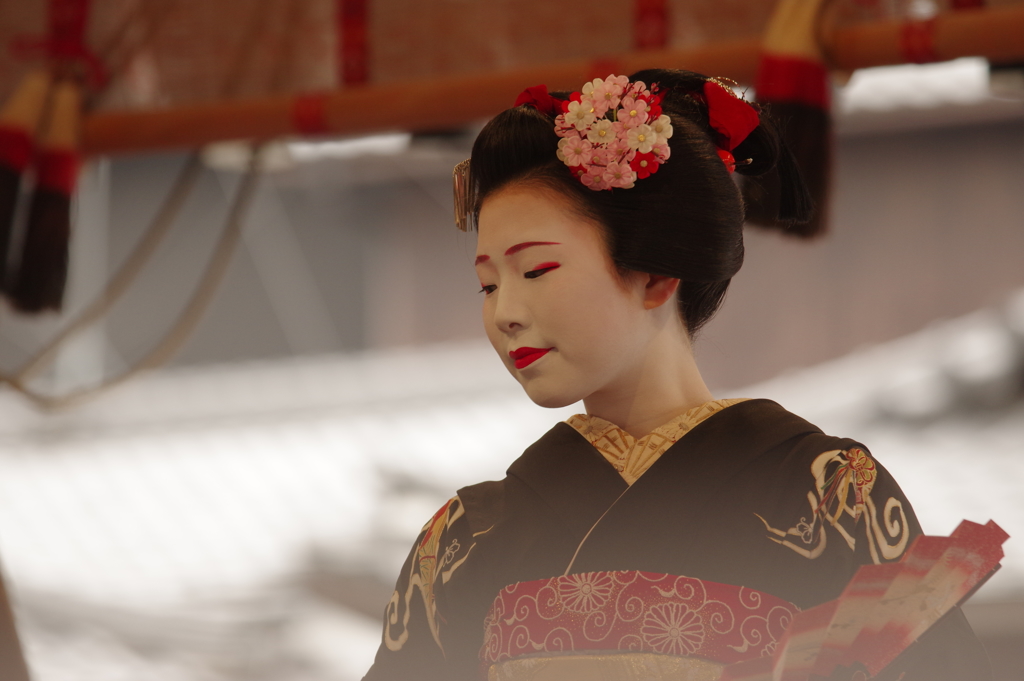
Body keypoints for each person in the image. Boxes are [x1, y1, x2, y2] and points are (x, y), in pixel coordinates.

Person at [362, 69, 990, 681]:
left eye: (536, 272)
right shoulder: (463, 542)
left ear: (658, 274)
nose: (504, 314)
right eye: (488, 284)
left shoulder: (827, 499)